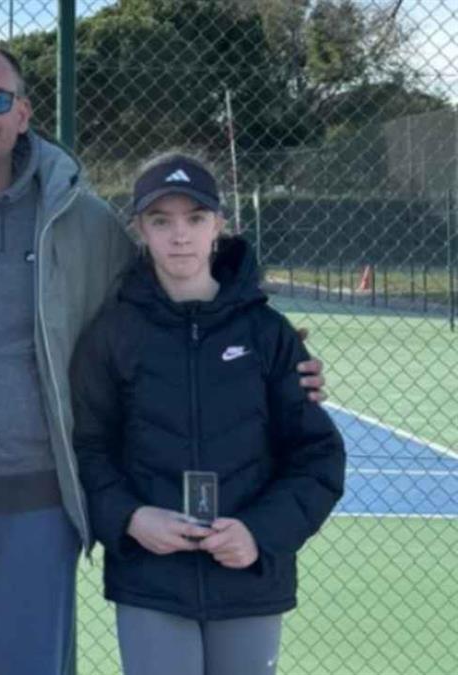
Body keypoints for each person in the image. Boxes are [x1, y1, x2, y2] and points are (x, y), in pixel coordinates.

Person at [0, 44, 327, 674]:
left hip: (36, 506)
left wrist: (272, 352)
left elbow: (171, 302)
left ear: (23, 113)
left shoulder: (85, 220)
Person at [71, 152, 346, 675]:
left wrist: (258, 535)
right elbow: (87, 448)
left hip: (248, 577)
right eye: (161, 220)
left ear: (218, 225)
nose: (180, 236)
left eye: (195, 219)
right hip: (151, 580)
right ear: (140, 229)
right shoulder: (112, 335)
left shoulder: (268, 334)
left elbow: (318, 457)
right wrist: (131, 519)